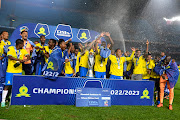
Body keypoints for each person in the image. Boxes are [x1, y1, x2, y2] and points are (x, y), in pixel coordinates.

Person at [1, 39, 30, 107]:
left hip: (19, 71)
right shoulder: (10, 48)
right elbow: (9, 57)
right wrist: (18, 60)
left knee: (17, 86)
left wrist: (26, 58)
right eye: (22, 45)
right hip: (10, 71)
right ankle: (3, 101)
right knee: (7, 85)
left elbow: (28, 55)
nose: (23, 46)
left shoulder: (23, 50)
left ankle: (14, 100)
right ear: (19, 44)